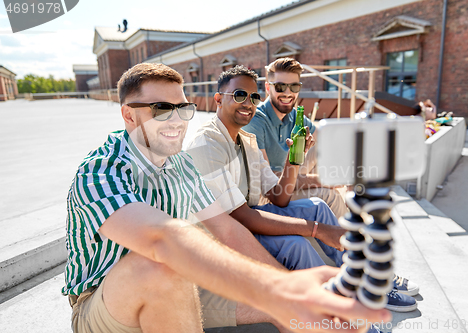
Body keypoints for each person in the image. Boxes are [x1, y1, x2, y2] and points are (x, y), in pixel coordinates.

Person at [62, 63, 391, 333]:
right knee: (159, 269)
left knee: (291, 315)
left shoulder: (182, 164)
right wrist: (280, 285)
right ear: (129, 115)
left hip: (184, 276)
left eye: (182, 109)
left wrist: (285, 288)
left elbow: (229, 230)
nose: (175, 120)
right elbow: (160, 239)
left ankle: (348, 307)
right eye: (161, 109)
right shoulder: (101, 171)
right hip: (104, 301)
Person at [187, 65, 418, 317]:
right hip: (225, 237)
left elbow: (279, 197)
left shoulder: (246, 140)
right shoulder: (207, 145)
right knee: (298, 244)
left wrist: (293, 161)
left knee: (318, 205)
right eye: (240, 95)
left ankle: (359, 282)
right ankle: (333, 313)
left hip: (249, 217)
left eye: (254, 97)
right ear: (218, 99)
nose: (249, 103)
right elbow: (243, 218)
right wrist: (317, 230)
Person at [242, 57, 348, 219]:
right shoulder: (256, 120)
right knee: (329, 195)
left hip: (289, 174)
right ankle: (349, 242)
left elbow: (328, 139)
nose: (288, 93)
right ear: (268, 87)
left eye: (294, 86)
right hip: (270, 195)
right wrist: (322, 180)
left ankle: (347, 216)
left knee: (325, 147)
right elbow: (270, 183)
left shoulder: (293, 115)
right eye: (280, 86)